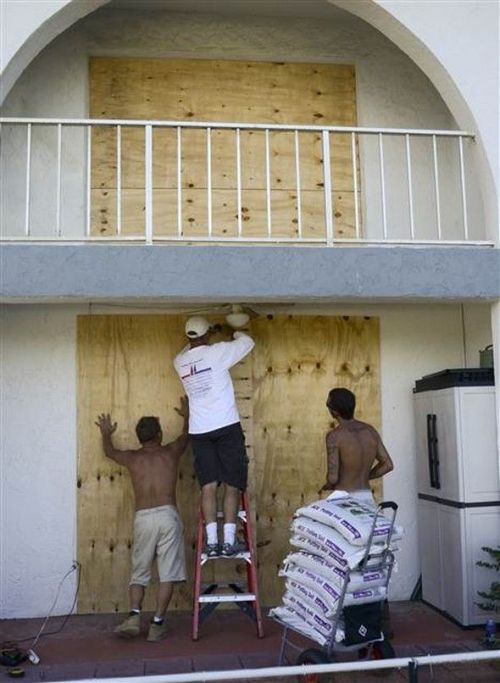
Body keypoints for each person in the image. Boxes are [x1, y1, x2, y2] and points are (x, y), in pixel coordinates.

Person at [95, 396, 189, 642]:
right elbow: (186, 438)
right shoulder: (170, 452)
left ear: (139, 437)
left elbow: (109, 451)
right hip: (168, 515)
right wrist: (187, 415)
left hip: (143, 518)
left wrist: (106, 432)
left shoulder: (133, 458)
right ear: (159, 434)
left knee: (140, 571)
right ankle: (157, 624)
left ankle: (134, 615)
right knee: (167, 573)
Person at [174, 316, 254, 558]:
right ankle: (229, 541)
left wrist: (205, 335)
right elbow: (248, 342)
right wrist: (234, 331)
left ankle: (211, 542)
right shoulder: (218, 352)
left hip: (199, 430)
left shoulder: (179, 361)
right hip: (226, 426)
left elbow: (190, 347)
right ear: (208, 335)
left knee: (208, 486)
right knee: (232, 484)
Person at [319, 387, 394, 503]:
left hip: (343, 499)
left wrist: (327, 485)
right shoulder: (370, 431)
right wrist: (365, 476)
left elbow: (333, 478)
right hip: (367, 497)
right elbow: (387, 465)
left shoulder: (334, 436)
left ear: (335, 411)